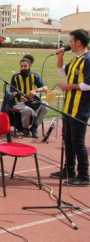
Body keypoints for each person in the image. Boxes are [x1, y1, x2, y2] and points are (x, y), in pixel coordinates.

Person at [51, 29, 90, 186]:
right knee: (68, 140)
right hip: (68, 107)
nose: (69, 44)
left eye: (70, 41)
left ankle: (84, 175)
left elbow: (88, 84)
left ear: (78, 42)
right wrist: (60, 58)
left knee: (78, 141)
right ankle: (69, 169)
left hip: (80, 108)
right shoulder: (75, 60)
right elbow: (62, 73)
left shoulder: (88, 60)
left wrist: (69, 86)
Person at [9, 56, 48, 138]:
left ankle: (34, 127)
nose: (23, 68)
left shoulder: (35, 76)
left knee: (45, 105)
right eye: (21, 66)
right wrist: (19, 96)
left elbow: (45, 88)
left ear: (30, 66)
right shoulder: (15, 77)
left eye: (25, 66)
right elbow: (12, 91)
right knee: (27, 110)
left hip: (33, 101)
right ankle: (25, 128)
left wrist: (36, 91)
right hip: (19, 102)